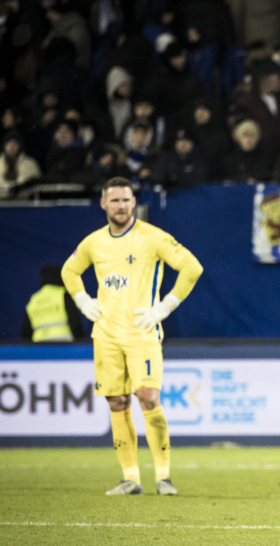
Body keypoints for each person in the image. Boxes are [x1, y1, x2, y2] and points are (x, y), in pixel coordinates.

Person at [61, 177, 204, 496]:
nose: (121, 206)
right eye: (115, 200)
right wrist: (82, 300)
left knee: (148, 398)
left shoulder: (153, 237)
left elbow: (192, 267)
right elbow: (69, 271)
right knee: (117, 401)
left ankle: (163, 477)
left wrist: (164, 307)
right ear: (103, 204)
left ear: (134, 202)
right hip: (106, 335)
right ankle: (130, 478)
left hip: (142, 332)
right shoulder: (93, 243)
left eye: (126, 200)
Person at [21, 265, 84, 342]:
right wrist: (80, 342)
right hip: (64, 344)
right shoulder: (63, 295)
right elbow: (75, 323)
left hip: (39, 346)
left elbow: (26, 330)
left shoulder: (34, 299)